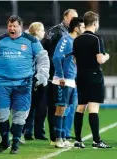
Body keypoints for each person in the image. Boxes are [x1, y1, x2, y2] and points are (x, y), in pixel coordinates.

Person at [0, 15, 50, 154]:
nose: (12, 28)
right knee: (1, 114)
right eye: (10, 26)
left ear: (21, 27)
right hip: (3, 84)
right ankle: (5, 141)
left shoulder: (31, 40)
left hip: (23, 84)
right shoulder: (0, 40)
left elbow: (43, 58)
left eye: (15, 26)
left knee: (20, 114)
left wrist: (42, 75)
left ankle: (16, 143)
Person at [73, 11, 111, 148]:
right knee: (93, 107)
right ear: (95, 23)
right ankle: (96, 141)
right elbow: (100, 59)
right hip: (94, 75)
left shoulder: (77, 39)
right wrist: (107, 56)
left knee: (80, 107)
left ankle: (78, 140)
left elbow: (74, 60)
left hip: (81, 75)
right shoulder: (96, 38)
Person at [42, 9, 78, 145]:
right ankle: (54, 137)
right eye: (72, 18)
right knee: (55, 106)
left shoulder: (72, 35)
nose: (74, 21)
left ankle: (63, 135)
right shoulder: (55, 31)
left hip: (68, 75)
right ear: (65, 17)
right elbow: (44, 49)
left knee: (66, 106)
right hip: (55, 75)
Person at [52, 17, 85, 148]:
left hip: (71, 80)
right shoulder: (66, 39)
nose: (83, 29)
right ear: (76, 28)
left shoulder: (76, 41)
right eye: (82, 27)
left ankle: (64, 137)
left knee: (67, 109)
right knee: (61, 108)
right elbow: (56, 57)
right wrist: (61, 77)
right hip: (63, 80)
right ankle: (58, 138)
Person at [23, 22, 48, 140]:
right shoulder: (34, 42)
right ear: (37, 32)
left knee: (30, 106)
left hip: (28, 77)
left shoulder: (25, 40)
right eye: (42, 30)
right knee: (31, 106)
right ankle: (24, 130)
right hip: (30, 77)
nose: (44, 32)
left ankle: (26, 130)